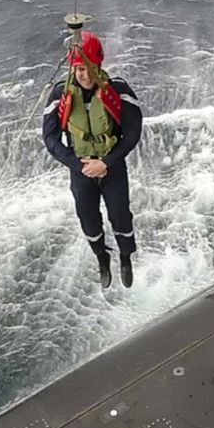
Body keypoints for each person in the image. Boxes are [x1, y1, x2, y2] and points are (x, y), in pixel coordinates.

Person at [43, 30, 143, 288]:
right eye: (79, 70)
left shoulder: (118, 91)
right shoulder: (59, 96)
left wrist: (106, 163)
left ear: (99, 65)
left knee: (120, 214)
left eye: (89, 69)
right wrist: (78, 165)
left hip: (111, 165)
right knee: (87, 218)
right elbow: (51, 139)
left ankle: (125, 256)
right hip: (81, 168)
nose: (85, 76)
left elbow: (132, 133)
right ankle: (101, 256)